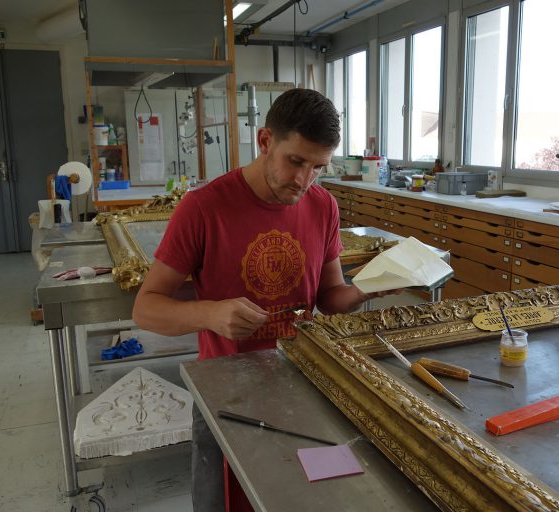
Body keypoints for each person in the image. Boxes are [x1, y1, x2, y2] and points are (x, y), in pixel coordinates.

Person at [132, 88, 389, 511]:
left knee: (299, 498)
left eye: (318, 168)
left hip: (305, 379)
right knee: (223, 500)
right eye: (296, 162)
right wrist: (211, 313)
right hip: (225, 388)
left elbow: (330, 297)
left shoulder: (323, 206)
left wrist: (367, 289)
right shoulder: (203, 208)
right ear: (266, 140)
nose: (304, 181)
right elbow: (146, 307)